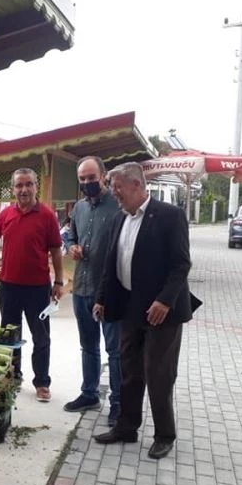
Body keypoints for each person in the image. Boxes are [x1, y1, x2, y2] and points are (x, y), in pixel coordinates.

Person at [92, 162, 200, 459]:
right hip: (130, 308)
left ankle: (165, 435)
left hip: (161, 313)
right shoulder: (119, 219)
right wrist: (102, 298)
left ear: (137, 186)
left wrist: (165, 300)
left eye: (118, 190)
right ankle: (127, 427)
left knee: (159, 374)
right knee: (130, 370)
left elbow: (181, 265)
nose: (115, 195)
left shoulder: (169, 216)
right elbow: (110, 266)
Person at [0, 168, 64, 402]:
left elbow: (55, 250)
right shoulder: (6, 214)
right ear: (13, 189)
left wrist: (59, 281)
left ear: (36, 187)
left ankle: (42, 383)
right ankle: (13, 374)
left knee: (41, 338)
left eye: (28, 184)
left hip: (38, 289)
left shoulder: (47, 215)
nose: (24, 189)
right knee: (10, 335)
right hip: (9, 286)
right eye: (19, 185)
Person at [63, 156, 123, 426]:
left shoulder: (119, 207)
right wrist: (72, 247)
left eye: (91, 177)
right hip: (82, 287)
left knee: (115, 350)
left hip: (108, 290)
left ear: (104, 175)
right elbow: (71, 236)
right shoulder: (78, 208)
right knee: (88, 346)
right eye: (82, 179)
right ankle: (89, 393)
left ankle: (119, 402)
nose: (87, 183)